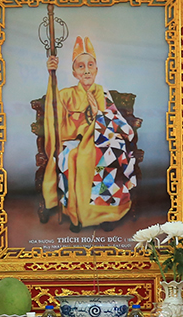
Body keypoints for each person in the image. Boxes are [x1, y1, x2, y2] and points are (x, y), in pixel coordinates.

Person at [41, 35, 137, 232]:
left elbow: (120, 125)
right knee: (74, 157)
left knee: (108, 154)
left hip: (100, 141)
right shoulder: (65, 95)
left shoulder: (102, 93)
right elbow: (54, 117)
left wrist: (98, 115)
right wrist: (52, 76)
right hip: (73, 143)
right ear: (75, 73)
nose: (86, 70)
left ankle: (106, 213)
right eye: (81, 66)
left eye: (90, 65)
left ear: (96, 69)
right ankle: (76, 214)